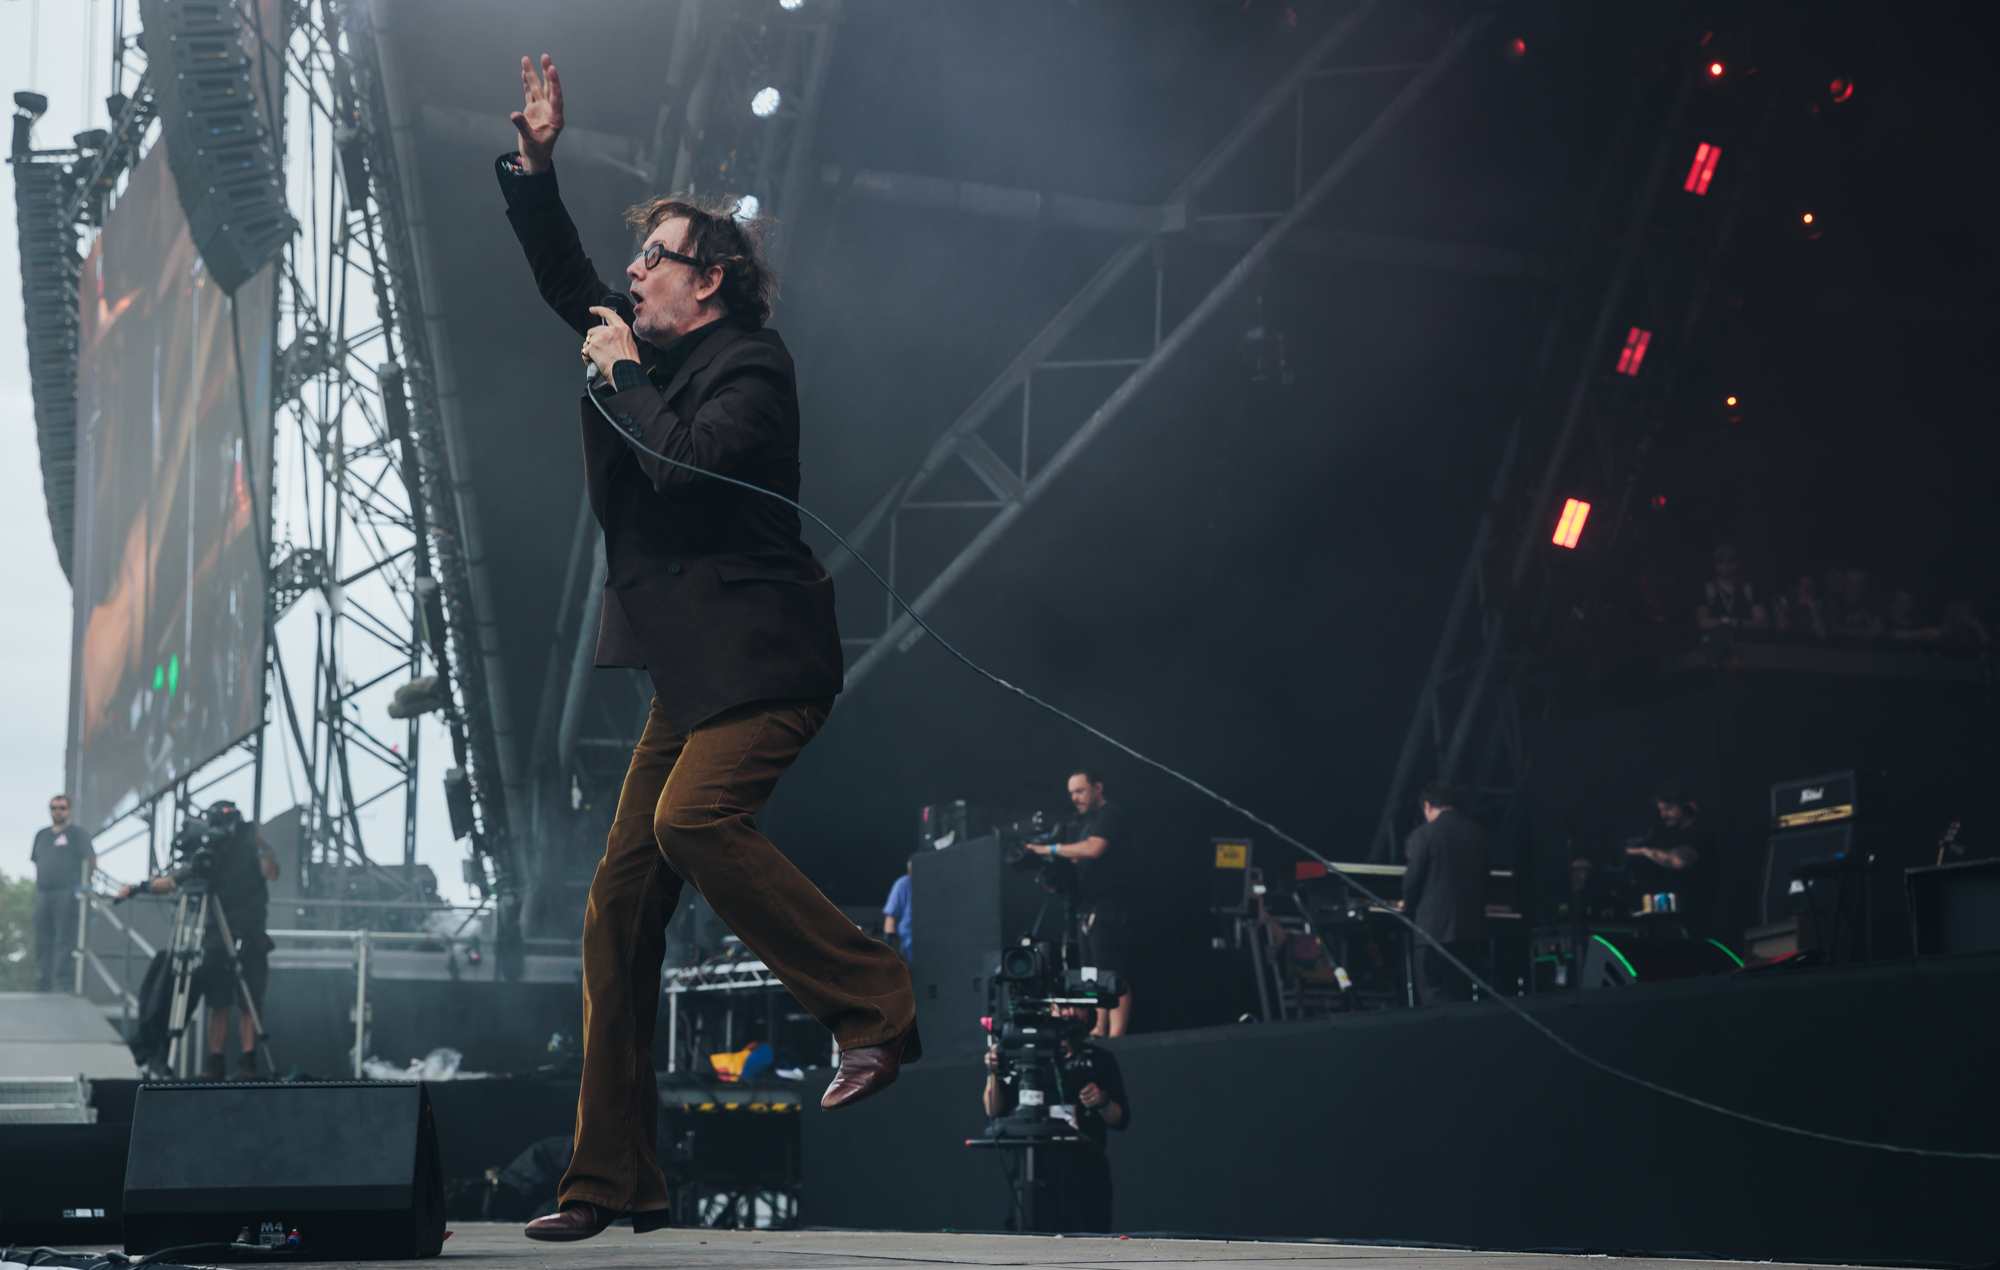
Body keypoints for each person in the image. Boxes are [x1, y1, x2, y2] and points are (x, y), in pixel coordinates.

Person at [498, 55, 916, 1240]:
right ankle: (610, 1179)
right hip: (690, 676)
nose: (631, 275)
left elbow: (682, 461)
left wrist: (626, 374)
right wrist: (537, 169)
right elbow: (568, 281)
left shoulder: (749, 366)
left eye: (654, 260)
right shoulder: (650, 347)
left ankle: (873, 1005)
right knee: (617, 906)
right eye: (634, 263)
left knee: (691, 825)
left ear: (714, 278)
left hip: (764, 661)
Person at [117, 801, 278, 1079]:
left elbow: (271, 872)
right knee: (218, 1000)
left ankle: (249, 1059)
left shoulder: (251, 848)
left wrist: (259, 841)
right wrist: (137, 888)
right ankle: (215, 1060)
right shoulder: (206, 855)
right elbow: (174, 880)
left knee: (250, 998)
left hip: (250, 932)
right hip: (216, 933)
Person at [982, 1008, 1129, 1232]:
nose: (1069, 1013)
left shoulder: (1101, 1059)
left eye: (1076, 1007)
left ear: (1089, 1015)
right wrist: (993, 1072)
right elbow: (993, 1109)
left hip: (1085, 1176)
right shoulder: (1026, 1055)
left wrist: (1102, 1101)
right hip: (1035, 1171)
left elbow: (1120, 1119)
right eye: (1062, 1007)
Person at [1027, 770, 1132, 1036]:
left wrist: (1050, 849)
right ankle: (1099, 1027)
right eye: (1071, 793)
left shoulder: (1111, 814)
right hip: (1086, 908)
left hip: (1108, 907)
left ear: (1098, 787)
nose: (1075, 798)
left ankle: (1117, 1035)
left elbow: (1093, 849)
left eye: (1080, 791)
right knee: (1093, 975)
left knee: (1112, 973)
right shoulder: (1086, 823)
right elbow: (1075, 862)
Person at [1400, 782, 1488, 1005]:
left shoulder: (1424, 834)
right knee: (1462, 993)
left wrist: (1407, 904)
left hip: (1433, 930)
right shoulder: (1478, 833)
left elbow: (1413, 879)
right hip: (1470, 929)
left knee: (1433, 992)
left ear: (1428, 806)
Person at [1623, 781, 1718, 936]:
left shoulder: (1700, 831)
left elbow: (1679, 861)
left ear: (1685, 806)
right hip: (1668, 924)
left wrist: (1644, 851)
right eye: (1661, 810)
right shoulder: (1667, 833)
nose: (1663, 815)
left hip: (1696, 921)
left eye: (1669, 809)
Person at [31, 794, 94, 993]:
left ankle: (63, 984)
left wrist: (80, 885)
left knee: (65, 940)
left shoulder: (77, 833)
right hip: (43, 893)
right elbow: (36, 860)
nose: (57, 811)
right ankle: (43, 982)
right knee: (42, 940)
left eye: (62, 807)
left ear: (70, 810)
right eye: (54, 807)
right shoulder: (41, 834)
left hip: (66, 892)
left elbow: (91, 860)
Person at [1695, 545, 1767, 632]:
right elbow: (1703, 622)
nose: (1725, 565)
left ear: (1737, 563)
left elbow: (1763, 622)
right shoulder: (1707, 589)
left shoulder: (1747, 589)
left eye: (1730, 561)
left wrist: (1739, 623)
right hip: (1715, 642)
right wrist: (1727, 621)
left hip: (1744, 642)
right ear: (1715, 564)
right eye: (1720, 561)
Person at [1772, 574, 1826, 640]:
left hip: (1810, 647)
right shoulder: (1784, 600)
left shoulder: (1817, 603)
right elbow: (1782, 627)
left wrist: (1813, 608)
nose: (1806, 590)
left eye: (1810, 587)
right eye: (1803, 586)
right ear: (1796, 588)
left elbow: (1822, 634)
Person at [882, 854, 915, 961]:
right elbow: (889, 925)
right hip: (907, 957)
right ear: (909, 870)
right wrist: (901, 961)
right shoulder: (904, 884)